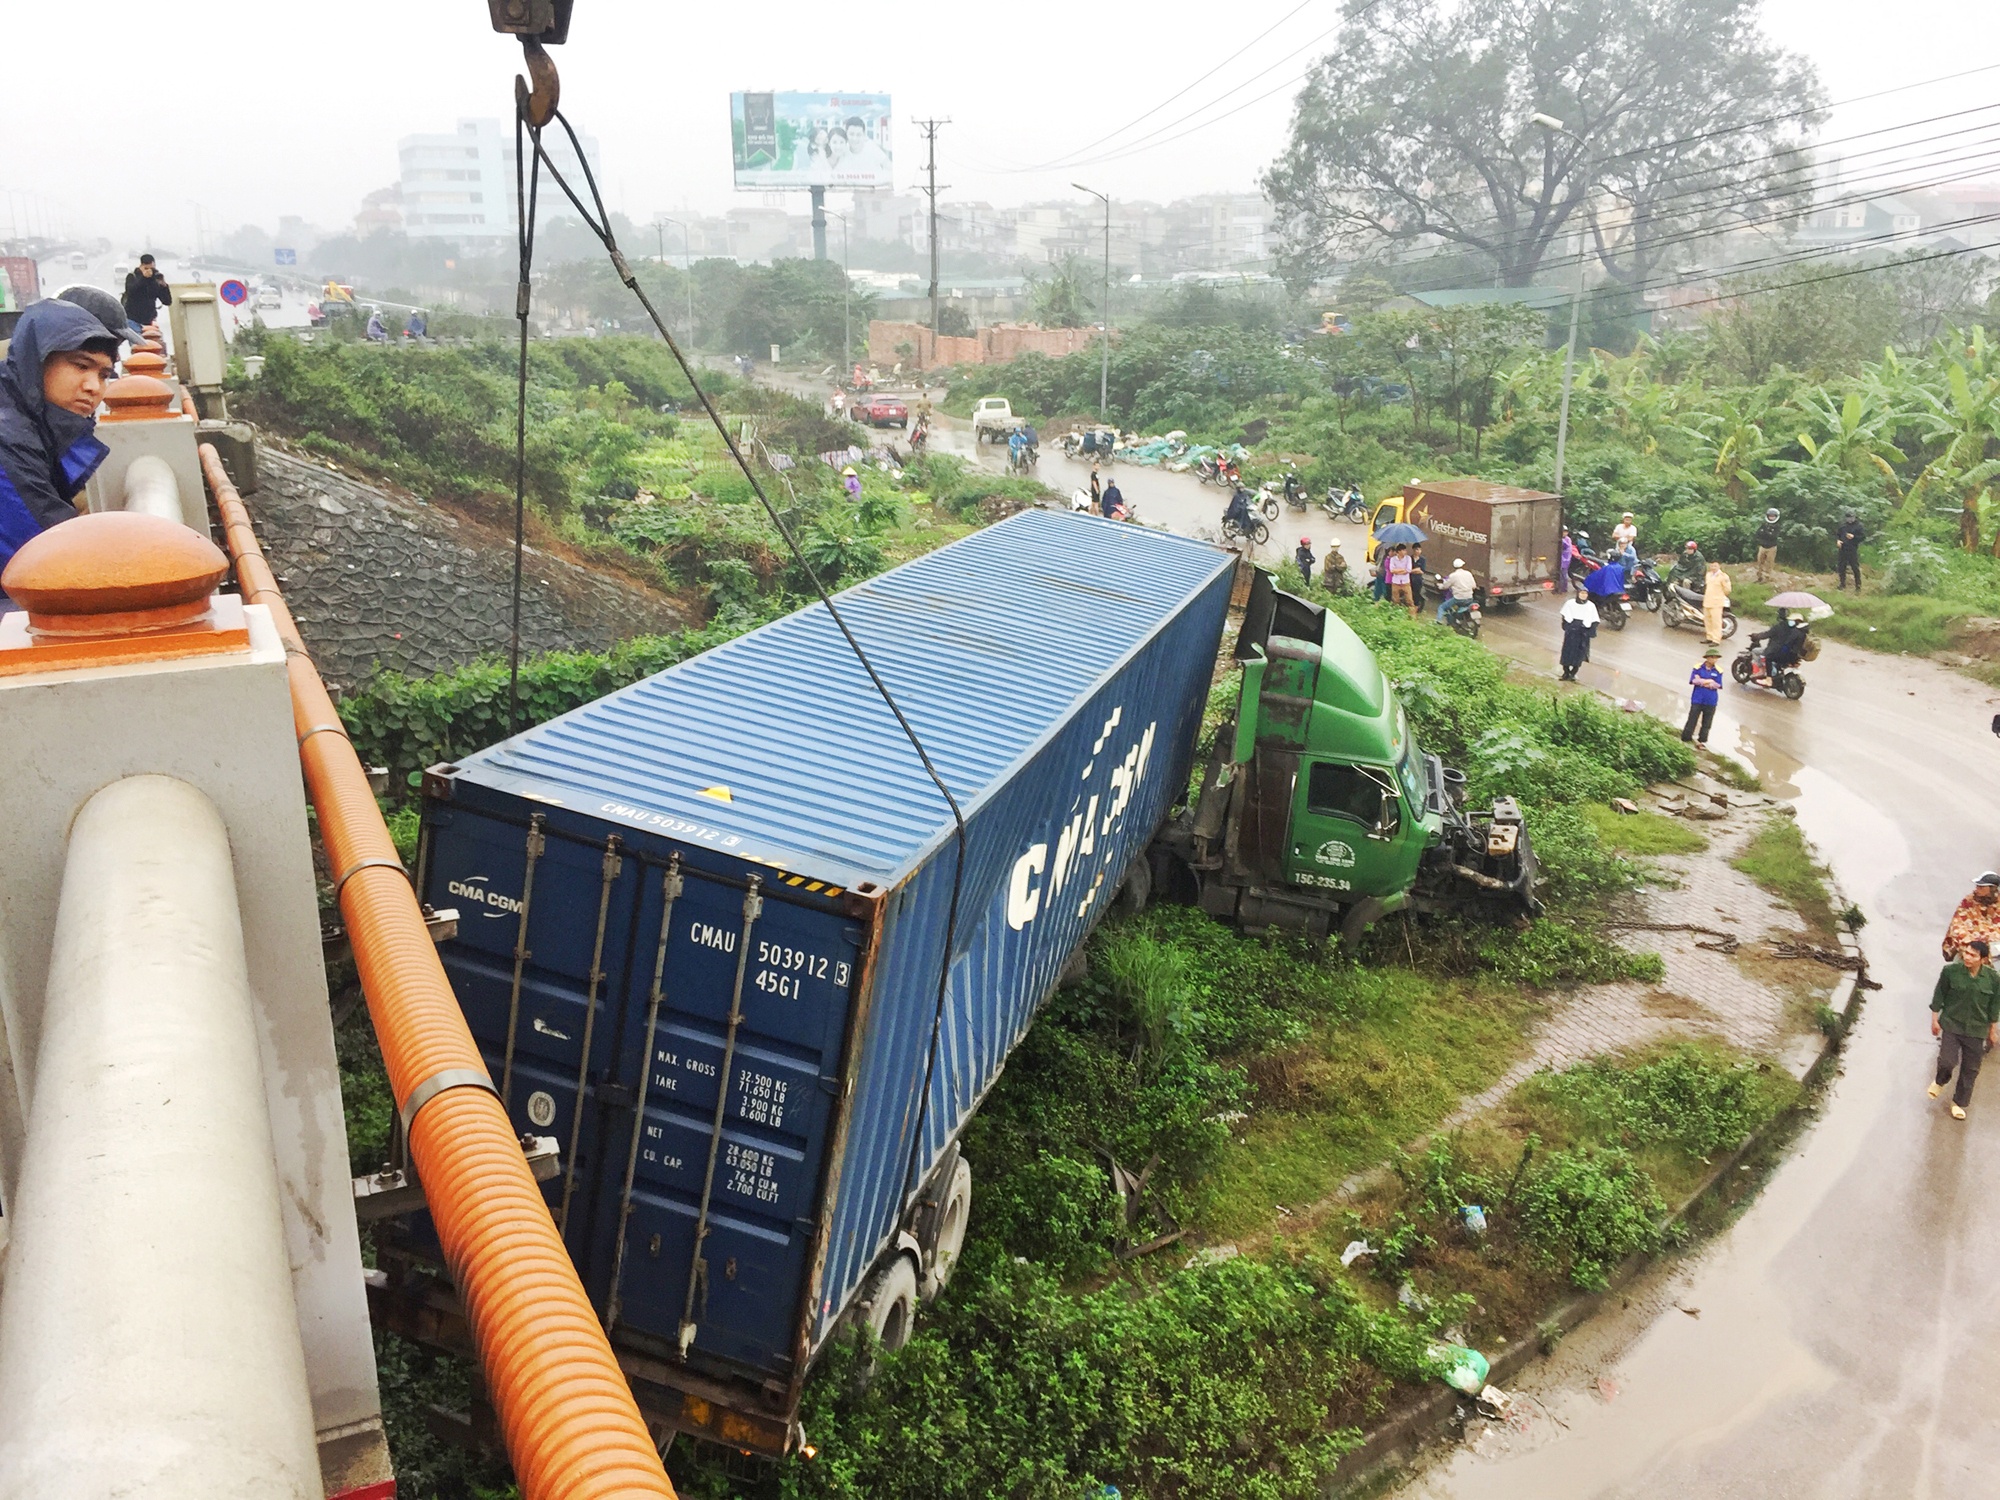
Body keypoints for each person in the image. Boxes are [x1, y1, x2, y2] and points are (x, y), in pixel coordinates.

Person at [0, 301, 122, 598]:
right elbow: (49, 556)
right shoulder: (8, 438)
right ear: (38, 362)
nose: (94, 386)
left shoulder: (29, 423)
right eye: (81, 366)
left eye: (104, 375)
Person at [1929, 940, 2000, 1118]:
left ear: (1983, 960)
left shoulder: (1993, 979)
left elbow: (1994, 1006)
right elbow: (1939, 994)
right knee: (1947, 1061)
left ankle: (1958, 1103)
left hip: (1976, 1030)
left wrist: (1992, 1030)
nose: (1967, 957)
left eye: (1973, 955)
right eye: (1966, 953)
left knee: (1971, 1069)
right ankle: (1940, 1081)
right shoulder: (1950, 972)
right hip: (1952, 1025)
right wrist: (1935, 1019)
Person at [1941, 873, 2000, 960]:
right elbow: (1957, 924)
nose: (1977, 889)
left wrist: (1990, 940)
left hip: (1995, 949)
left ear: (1992, 889)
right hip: (1970, 944)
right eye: (1977, 886)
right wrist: (1973, 942)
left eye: (1981, 887)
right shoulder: (1968, 902)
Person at [1682, 645, 1723, 747]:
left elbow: (1718, 685)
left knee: (1707, 722)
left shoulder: (1718, 671)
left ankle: (1702, 741)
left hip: (1711, 700)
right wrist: (1707, 681)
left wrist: (1703, 681)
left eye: (1716, 657)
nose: (1715, 659)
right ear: (1707, 658)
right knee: (1692, 718)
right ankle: (1686, 738)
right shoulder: (1698, 668)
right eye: (1713, 657)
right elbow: (1693, 680)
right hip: (1697, 698)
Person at [121, 253, 172, 335]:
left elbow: (167, 301)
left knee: (151, 345)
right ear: (141, 266)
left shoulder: (155, 280)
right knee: (138, 346)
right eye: (146, 268)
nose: (149, 271)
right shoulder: (132, 277)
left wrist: (164, 286)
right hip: (133, 319)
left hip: (149, 321)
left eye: (151, 269)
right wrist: (143, 278)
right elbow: (131, 292)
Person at [1558, 585, 1599, 681]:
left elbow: (1594, 620)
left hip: (1583, 633)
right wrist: (1568, 627)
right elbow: (1565, 616)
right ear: (1578, 593)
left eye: (1585, 593)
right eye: (1581, 593)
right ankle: (1566, 672)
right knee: (1567, 652)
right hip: (1571, 632)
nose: (1583, 595)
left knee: (1579, 654)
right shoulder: (1570, 604)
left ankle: (1573, 673)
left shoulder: (1590, 606)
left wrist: (1589, 631)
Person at [1436, 556, 1476, 623]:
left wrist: (1440, 586)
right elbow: (1474, 586)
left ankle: (1439, 621)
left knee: (1441, 607)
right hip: (1469, 598)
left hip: (1458, 599)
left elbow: (1445, 586)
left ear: (1454, 567)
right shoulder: (1468, 573)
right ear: (1463, 565)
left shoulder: (1453, 575)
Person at [1702, 558, 1732, 644]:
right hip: (1707, 601)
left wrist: (1720, 596)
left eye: (1715, 566)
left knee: (1716, 622)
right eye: (1712, 566)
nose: (1713, 567)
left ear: (1719, 566)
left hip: (1716, 602)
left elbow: (1727, 589)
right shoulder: (1708, 575)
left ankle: (1716, 639)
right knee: (1707, 621)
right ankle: (1709, 637)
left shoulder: (1723, 576)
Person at [1835, 510, 1865, 592]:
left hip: (1852, 548)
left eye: (1852, 517)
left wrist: (1854, 537)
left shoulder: (1858, 526)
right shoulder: (1843, 526)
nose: (1850, 519)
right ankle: (1842, 584)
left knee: (1854, 567)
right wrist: (1838, 541)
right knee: (1841, 567)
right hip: (1842, 548)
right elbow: (1838, 534)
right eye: (1849, 518)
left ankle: (1858, 585)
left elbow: (1862, 537)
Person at [1385, 543, 1416, 616]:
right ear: (1398, 551)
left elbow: (1408, 570)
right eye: (1403, 550)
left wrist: (1398, 570)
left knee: (1409, 600)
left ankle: (1412, 616)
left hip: (1405, 582)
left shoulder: (1408, 558)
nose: (1405, 552)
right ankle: (1396, 615)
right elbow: (1392, 570)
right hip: (1395, 582)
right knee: (1395, 600)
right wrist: (1402, 570)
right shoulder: (1393, 559)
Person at [1754, 507, 1781, 582]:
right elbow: (1758, 533)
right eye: (1770, 516)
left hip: (1771, 548)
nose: (1771, 517)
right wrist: (1766, 534)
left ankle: (1767, 578)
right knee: (1760, 562)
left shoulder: (1777, 526)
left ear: (1776, 517)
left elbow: (1773, 536)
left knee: (1769, 563)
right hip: (1762, 546)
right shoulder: (1764, 524)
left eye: (1773, 516)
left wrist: (1765, 533)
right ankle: (1759, 577)